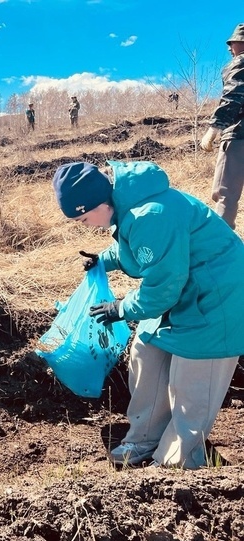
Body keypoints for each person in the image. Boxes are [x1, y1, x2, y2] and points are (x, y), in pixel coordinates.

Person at [51, 160, 244, 470]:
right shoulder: (125, 204)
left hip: (218, 299)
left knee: (192, 385)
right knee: (145, 350)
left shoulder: (151, 214)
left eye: (84, 218)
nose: (86, 225)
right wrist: (104, 260)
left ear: (100, 201)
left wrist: (121, 308)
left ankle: (175, 464)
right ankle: (145, 438)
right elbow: (138, 249)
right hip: (185, 291)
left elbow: (163, 286)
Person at [200, 23, 244, 229]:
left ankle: (220, 248)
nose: (229, 48)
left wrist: (214, 128)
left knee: (225, 194)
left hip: (238, 135)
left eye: (233, 42)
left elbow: (233, 97)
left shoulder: (240, 63)